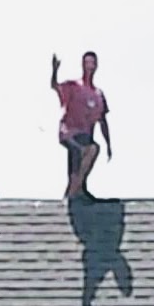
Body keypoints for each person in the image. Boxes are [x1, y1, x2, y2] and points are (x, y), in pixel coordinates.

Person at [51, 51, 112, 198]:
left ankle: (78, 189)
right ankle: (74, 190)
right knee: (82, 151)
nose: (90, 67)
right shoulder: (74, 86)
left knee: (89, 151)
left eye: (92, 63)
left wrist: (109, 144)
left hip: (85, 135)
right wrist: (54, 70)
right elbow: (55, 86)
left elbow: (103, 121)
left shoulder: (98, 94)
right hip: (69, 132)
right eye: (87, 63)